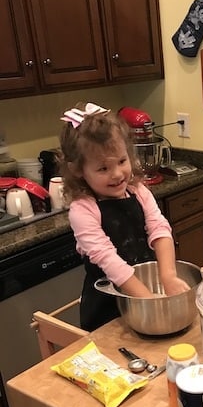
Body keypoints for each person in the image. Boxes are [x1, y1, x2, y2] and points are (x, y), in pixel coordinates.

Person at [58, 102, 190, 331]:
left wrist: (168, 276)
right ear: (78, 170)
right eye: (103, 169)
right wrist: (147, 300)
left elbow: (160, 229)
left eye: (121, 161)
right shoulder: (83, 210)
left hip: (146, 295)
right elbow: (109, 260)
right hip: (107, 310)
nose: (117, 174)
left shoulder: (138, 191)